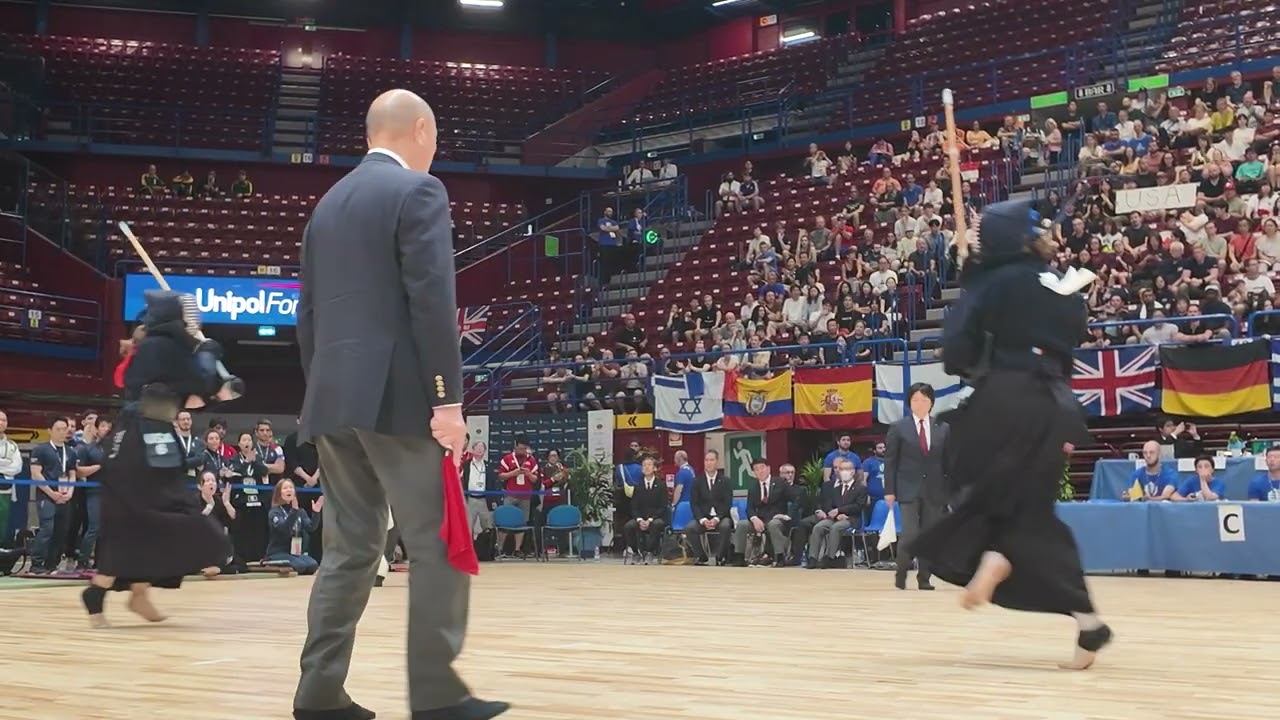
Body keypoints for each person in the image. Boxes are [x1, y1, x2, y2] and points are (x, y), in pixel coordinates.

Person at [294, 89, 506, 720]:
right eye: (434, 140)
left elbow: (307, 318)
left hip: (332, 400)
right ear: (419, 129)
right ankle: (438, 695)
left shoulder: (326, 206)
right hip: (398, 400)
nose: (434, 152)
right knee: (438, 542)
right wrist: (448, 400)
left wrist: (322, 393)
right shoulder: (420, 192)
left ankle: (319, 693)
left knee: (350, 551)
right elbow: (433, 302)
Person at [910, 198, 1113, 670]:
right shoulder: (1057, 284)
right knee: (1031, 509)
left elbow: (956, 355)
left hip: (1005, 399)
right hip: (1057, 406)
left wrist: (974, 286)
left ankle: (996, 553)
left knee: (974, 481)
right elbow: (1071, 330)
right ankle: (1086, 623)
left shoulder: (991, 282)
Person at [80, 290, 237, 627]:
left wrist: (221, 387)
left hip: (148, 438)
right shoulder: (159, 347)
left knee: (143, 519)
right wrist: (209, 355)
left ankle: (135, 592)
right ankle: (100, 590)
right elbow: (198, 381)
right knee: (157, 512)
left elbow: (190, 397)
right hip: (139, 442)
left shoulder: (167, 349)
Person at [884, 382, 949, 591]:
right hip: (907, 489)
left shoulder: (943, 427)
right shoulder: (898, 427)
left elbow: (948, 462)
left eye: (924, 399)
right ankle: (901, 571)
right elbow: (891, 462)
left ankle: (924, 578)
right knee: (910, 534)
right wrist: (889, 491)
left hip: (934, 489)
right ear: (909, 403)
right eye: (915, 399)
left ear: (931, 403)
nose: (920, 404)